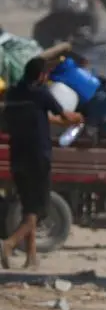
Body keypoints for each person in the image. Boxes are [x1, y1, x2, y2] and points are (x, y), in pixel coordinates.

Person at [0, 58, 84, 270]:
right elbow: (63, 116)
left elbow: (38, 115)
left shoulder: (13, 93)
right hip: (37, 156)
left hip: (17, 155)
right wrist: (78, 118)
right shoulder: (41, 93)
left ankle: (31, 257)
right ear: (41, 76)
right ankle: (9, 244)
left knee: (28, 206)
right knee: (40, 209)